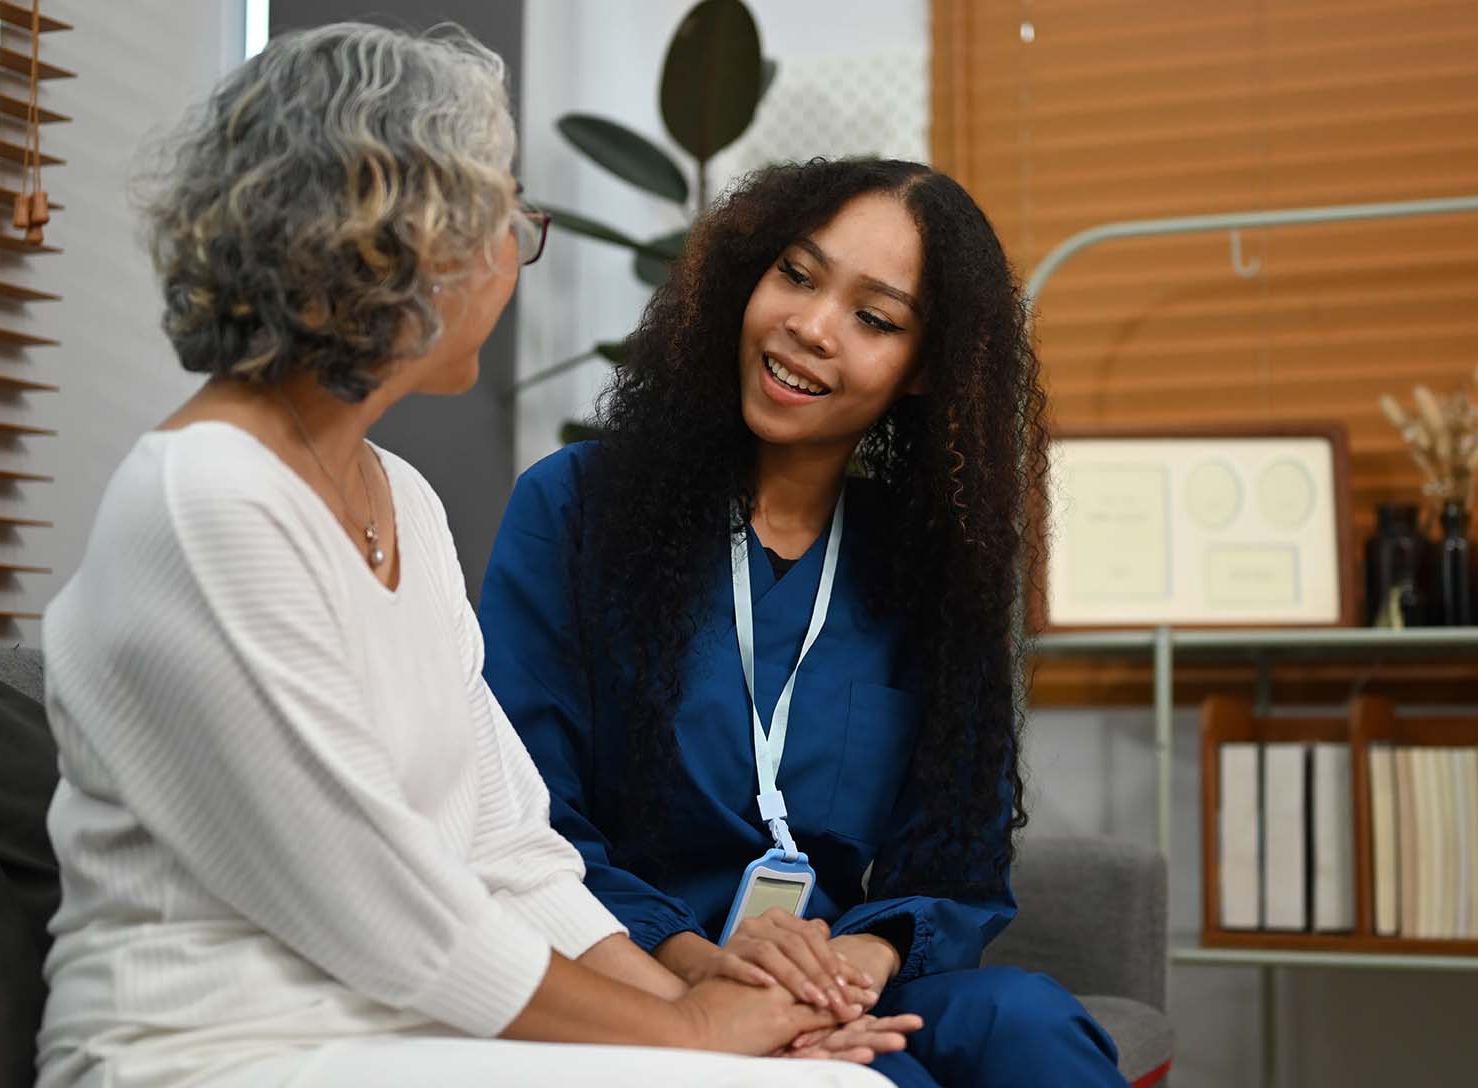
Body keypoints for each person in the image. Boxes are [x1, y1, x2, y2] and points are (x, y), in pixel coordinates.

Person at [36, 25, 913, 1088]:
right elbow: (387, 909)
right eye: (507, 215)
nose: (519, 246)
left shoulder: (397, 493)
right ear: (396, 238)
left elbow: (511, 847)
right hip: (213, 1048)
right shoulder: (206, 499)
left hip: (397, 1030)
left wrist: (712, 1009)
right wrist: (691, 1036)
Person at [478, 158, 1125, 1088]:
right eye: (796, 275)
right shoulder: (576, 510)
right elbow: (523, 815)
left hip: (839, 979)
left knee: (1027, 1024)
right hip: (640, 977)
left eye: (874, 318)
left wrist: (861, 964)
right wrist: (708, 980)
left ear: (922, 368)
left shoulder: (928, 567)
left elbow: (960, 862)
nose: (811, 328)